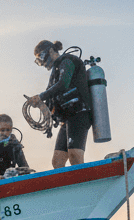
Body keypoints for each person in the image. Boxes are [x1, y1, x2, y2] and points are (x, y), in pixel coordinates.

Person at [32, 40, 92, 168]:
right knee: (57, 161)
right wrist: (41, 104)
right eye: (38, 61)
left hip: (79, 114)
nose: (42, 63)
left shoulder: (67, 60)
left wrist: (41, 96)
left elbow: (64, 83)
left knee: (75, 156)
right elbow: (50, 98)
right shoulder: (54, 73)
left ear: (51, 51)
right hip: (66, 119)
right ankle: (68, 186)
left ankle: (82, 185)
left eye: (41, 57)